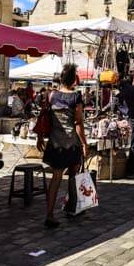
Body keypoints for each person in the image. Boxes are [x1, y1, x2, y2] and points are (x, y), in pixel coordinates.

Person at [37, 64, 88, 228]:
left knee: (56, 178)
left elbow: (44, 116)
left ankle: (50, 214)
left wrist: (39, 137)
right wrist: (84, 143)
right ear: (74, 79)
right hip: (71, 142)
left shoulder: (52, 95)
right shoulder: (76, 97)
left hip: (55, 142)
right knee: (73, 174)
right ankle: (72, 206)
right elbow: (78, 123)